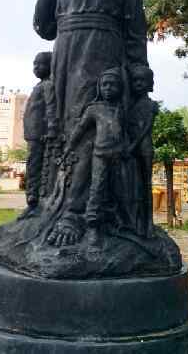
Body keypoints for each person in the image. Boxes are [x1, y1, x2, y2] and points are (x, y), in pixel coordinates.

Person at [33, 0, 149, 245]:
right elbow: (44, 29)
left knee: (87, 130)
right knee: (62, 132)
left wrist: (138, 73)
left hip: (101, 57)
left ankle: (75, 213)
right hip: (64, 58)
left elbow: (136, 31)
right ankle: (51, 202)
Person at [52, 68, 125, 249]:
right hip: (100, 155)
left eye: (113, 85)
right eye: (105, 84)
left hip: (119, 157)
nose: (108, 88)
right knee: (96, 190)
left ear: (120, 88)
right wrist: (68, 148)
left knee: (118, 190)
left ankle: (115, 223)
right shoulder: (95, 109)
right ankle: (93, 227)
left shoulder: (121, 109)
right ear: (99, 87)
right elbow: (80, 130)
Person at [20, 51, 57, 218]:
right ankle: (32, 199)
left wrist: (52, 128)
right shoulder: (39, 86)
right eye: (34, 64)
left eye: (40, 64)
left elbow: (51, 107)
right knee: (32, 166)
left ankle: (33, 201)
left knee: (34, 167)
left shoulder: (48, 85)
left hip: (39, 134)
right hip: (32, 134)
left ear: (50, 66)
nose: (36, 68)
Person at [127, 64, 159, 238]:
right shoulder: (129, 104)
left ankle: (148, 224)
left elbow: (146, 129)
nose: (138, 84)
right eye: (135, 80)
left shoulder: (151, 105)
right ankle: (136, 223)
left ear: (149, 83)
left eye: (142, 80)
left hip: (143, 148)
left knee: (146, 186)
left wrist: (133, 145)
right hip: (132, 148)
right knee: (134, 186)